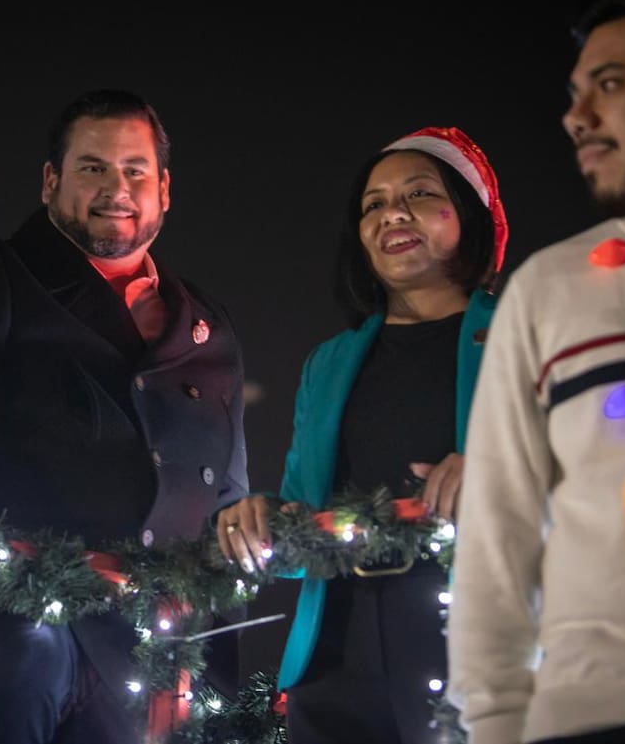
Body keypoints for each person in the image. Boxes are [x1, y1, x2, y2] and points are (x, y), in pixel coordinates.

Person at [0, 88, 249, 744]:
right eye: (92, 167)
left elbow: (227, 497)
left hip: (151, 634)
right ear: (50, 181)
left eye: (135, 170)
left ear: (164, 189)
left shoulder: (207, 325)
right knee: (26, 661)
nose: (114, 187)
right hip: (9, 602)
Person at [447, 0, 625, 744]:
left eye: (611, 83)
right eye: (574, 93)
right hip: (596, 717)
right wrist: (496, 724)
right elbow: (499, 540)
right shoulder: (548, 289)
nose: (575, 115)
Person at [217, 126, 509, 744]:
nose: (392, 213)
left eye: (420, 194)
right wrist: (266, 518)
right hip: (337, 655)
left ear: (470, 214)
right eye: (372, 204)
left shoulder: (520, 335)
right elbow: (303, 517)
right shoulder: (329, 362)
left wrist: (499, 469)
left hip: (473, 648)